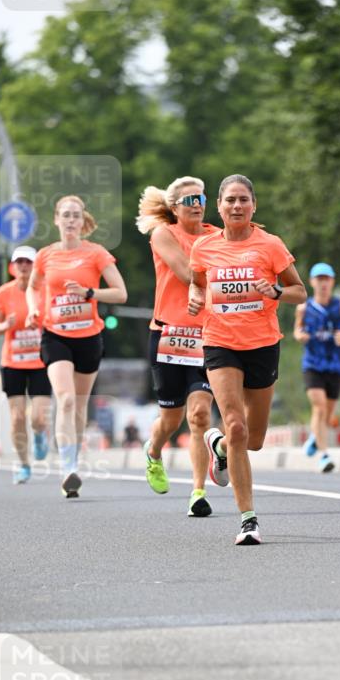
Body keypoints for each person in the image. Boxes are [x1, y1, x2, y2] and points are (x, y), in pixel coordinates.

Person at [188, 173, 306, 545]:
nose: (236, 206)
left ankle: (219, 447)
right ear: (219, 206)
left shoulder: (270, 245)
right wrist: (195, 296)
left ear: (254, 206)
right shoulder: (204, 247)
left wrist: (274, 291)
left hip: (263, 344)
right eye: (230, 200)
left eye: (243, 200)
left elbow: (299, 291)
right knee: (236, 426)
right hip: (220, 343)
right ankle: (248, 520)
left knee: (253, 439)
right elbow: (197, 282)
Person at [26, 195, 127, 497]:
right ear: (56, 219)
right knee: (66, 399)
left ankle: (74, 462)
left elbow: (120, 293)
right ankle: (67, 468)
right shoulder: (45, 255)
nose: (71, 220)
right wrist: (33, 309)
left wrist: (89, 293)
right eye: (66, 215)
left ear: (83, 221)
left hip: (88, 337)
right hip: (55, 335)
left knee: (80, 405)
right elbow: (32, 287)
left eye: (76, 215)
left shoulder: (96, 253)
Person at [136, 176, 219, 516]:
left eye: (201, 198)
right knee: (170, 420)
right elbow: (187, 273)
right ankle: (154, 451)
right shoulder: (163, 234)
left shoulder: (217, 236)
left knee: (199, 414)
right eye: (190, 200)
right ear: (174, 207)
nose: (197, 205)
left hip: (208, 336)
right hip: (169, 335)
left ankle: (198, 492)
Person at [0, 245, 52, 484]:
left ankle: (39, 434)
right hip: (13, 362)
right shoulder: (4, 292)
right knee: (16, 418)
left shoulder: (44, 290)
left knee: (38, 418)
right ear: (12, 267)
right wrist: (6, 325)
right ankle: (24, 465)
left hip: (40, 362)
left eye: (28, 262)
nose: (24, 266)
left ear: (36, 267)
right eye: (20, 262)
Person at [293, 262, 340, 473]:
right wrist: (300, 336)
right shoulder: (304, 308)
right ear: (312, 282)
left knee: (328, 414)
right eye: (320, 279)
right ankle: (324, 455)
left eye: (327, 279)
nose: (323, 283)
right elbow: (296, 330)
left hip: (335, 365)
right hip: (312, 364)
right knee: (320, 407)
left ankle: (315, 438)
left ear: (332, 282)